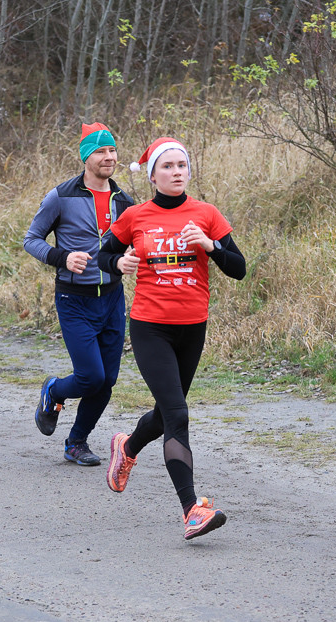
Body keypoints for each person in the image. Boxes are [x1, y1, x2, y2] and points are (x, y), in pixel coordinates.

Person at [96, 137, 246, 540]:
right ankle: (191, 509)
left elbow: (239, 269)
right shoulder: (135, 216)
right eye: (168, 166)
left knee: (167, 413)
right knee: (178, 415)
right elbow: (102, 256)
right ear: (153, 175)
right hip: (150, 326)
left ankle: (126, 447)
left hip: (192, 326)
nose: (177, 171)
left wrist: (211, 246)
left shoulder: (207, 214)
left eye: (182, 165)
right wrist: (119, 262)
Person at [23, 122, 134, 465]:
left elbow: (130, 246)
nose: (108, 157)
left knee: (107, 381)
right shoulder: (61, 196)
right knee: (91, 376)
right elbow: (31, 240)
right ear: (86, 157)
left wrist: (127, 260)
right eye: (100, 151)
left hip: (113, 298)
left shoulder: (125, 201)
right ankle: (53, 391)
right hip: (74, 299)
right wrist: (63, 257)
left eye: (112, 150)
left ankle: (76, 443)